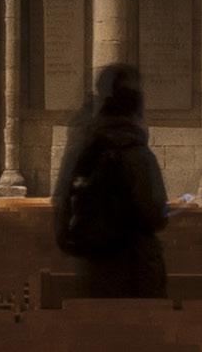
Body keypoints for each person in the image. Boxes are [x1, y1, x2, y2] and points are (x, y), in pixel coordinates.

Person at [51, 63, 168, 298]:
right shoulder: (138, 153)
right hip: (136, 270)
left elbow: (62, 204)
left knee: (99, 330)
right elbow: (156, 213)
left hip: (94, 267)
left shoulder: (83, 147)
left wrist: (78, 243)